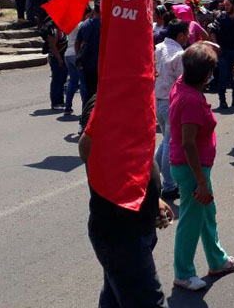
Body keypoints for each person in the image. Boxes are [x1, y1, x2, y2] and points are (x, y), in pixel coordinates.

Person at [78, 96, 174, 308]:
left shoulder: (136, 98)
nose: (156, 70)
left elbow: (133, 159)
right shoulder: (104, 103)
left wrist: (152, 196)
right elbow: (89, 152)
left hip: (135, 227)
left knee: (114, 298)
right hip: (122, 232)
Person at [169, 43, 234, 291]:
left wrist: (205, 45)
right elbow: (188, 143)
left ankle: (218, 260)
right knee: (191, 222)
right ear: (205, 75)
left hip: (196, 168)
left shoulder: (183, 82)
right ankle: (183, 273)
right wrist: (201, 181)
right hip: (192, 169)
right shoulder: (190, 98)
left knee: (207, 215)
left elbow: (196, 52)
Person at [154, 20, 189, 201]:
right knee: (170, 142)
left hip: (157, 100)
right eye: (187, 34)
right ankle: (168, 185)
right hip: (170, 102)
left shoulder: (158, 47)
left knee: (165, 141)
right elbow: (183, 81)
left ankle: (153, 178)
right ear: (181, 35)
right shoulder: (180, 54)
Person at [209, 0, 234, 110]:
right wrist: (216, 45)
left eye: (228, 5)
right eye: (225, 5)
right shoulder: (220, 17)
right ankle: (222, 100)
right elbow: (212, 32)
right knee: (223, 76)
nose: (226, 7)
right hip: (223, 51)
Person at [64, 7, 91, 116]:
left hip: (67, 55)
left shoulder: (70, 25)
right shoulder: (81, 25)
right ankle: (85, 108)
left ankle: (67, 107)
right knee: (83, 82)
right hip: (76, 54)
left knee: (73, 81)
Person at [76, 0, 102, 101]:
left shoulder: (85, 24)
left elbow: (77, 43)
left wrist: (80, 56)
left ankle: (86, 114)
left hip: (87, 64)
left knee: (89, 92)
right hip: (102, 65)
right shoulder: (108, 24)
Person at [40, 17, 68, 110]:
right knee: (57, 80)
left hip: (62, 58)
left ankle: (60, 101)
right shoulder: (54, 31)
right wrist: (59, 59)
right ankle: (55, 103)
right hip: (57, 59)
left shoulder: (60, 29)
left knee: (62, 80)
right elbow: (53, 46)